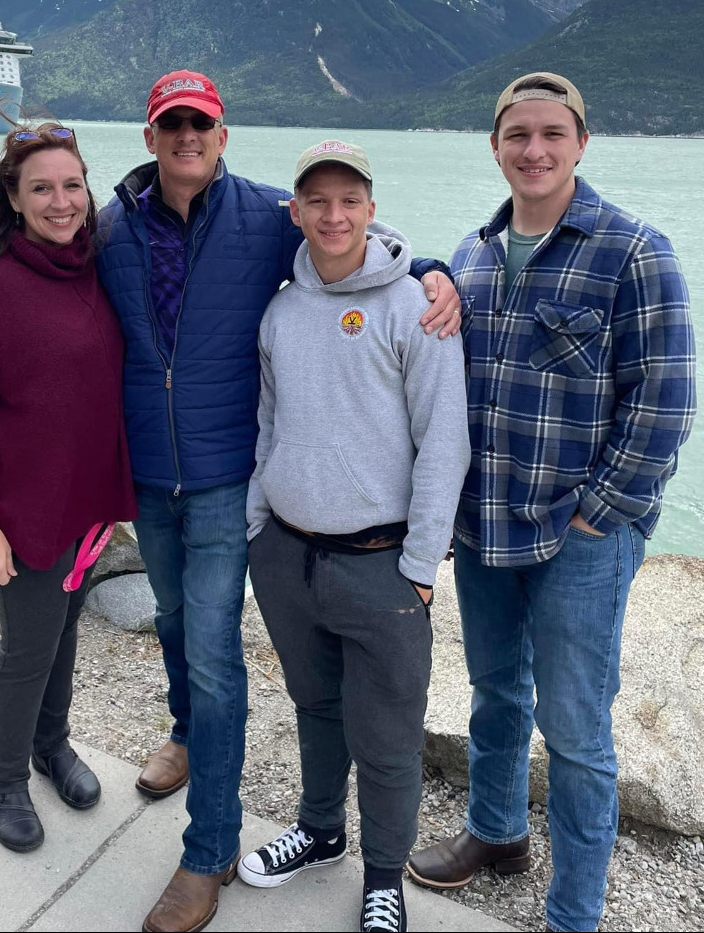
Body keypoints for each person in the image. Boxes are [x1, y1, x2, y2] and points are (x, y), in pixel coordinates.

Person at [95, 71, 462, 933]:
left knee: (223, 658)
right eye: (172, 122)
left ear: (224, 136)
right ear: (151, 136)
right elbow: (48, 258)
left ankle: (209, 850)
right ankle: (200, 743)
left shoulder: (267, 214)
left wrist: (434, 267)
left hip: (230, 483)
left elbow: (355, 234)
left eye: (203, 123)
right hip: (158, 475)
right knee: (181, 623)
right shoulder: (110, 230)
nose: (188, 135)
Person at [406, 73, 697, 933]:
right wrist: (424, 266)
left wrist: (595, 515)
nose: (534, 150)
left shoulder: (634, 251)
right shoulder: (469, 256)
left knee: (576, 730)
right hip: (487, 525)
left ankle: (575, 909)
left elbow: (665, 405)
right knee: (496, 694)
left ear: (580, 142)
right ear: (494, 146)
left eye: (552, 134)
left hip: (582, 536)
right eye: (517, 135)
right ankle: (496, 834)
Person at [238, 142, 471, 933]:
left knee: (390, 731)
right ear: (295, 212)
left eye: (350, 201)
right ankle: (321, 830)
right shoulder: (279, 310)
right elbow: (267, 426)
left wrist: (420, 564)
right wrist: (256, 526)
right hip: (287, 554)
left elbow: (445, 439)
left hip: (382, 564)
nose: (333, 216)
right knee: (315, 706)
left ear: (373, 209)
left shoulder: (415, 306)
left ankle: (382, 878)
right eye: (318, 202)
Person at [0, 122, 137, 853]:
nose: (62, 201)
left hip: (85, 502)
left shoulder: (94, 265)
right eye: (42, 188)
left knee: (62, 631)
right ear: (14, 199)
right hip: (19, 509)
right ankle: (4, 779)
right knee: (26, 648)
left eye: (72, 185)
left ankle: (51, 748)